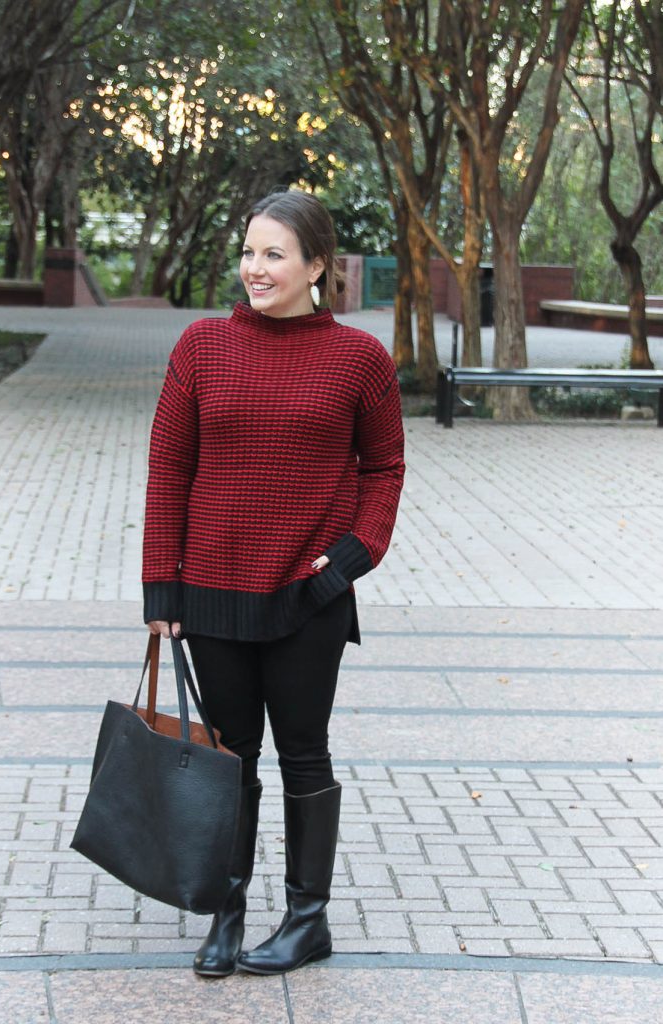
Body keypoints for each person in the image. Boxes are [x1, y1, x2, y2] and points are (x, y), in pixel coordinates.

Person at [142, 189, 405, 977]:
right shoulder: (200, 347)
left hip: (307, 595)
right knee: (229, 761)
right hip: (213, 594)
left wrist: (354, 555)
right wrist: (162, 589)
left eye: (275, 255)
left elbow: (385, 467)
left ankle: (307, 919)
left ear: (316, 266)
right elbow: (169, 469)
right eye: (250, 252)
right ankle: (225, 914)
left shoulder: (361, 359)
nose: (256, 269)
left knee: (304, 757)